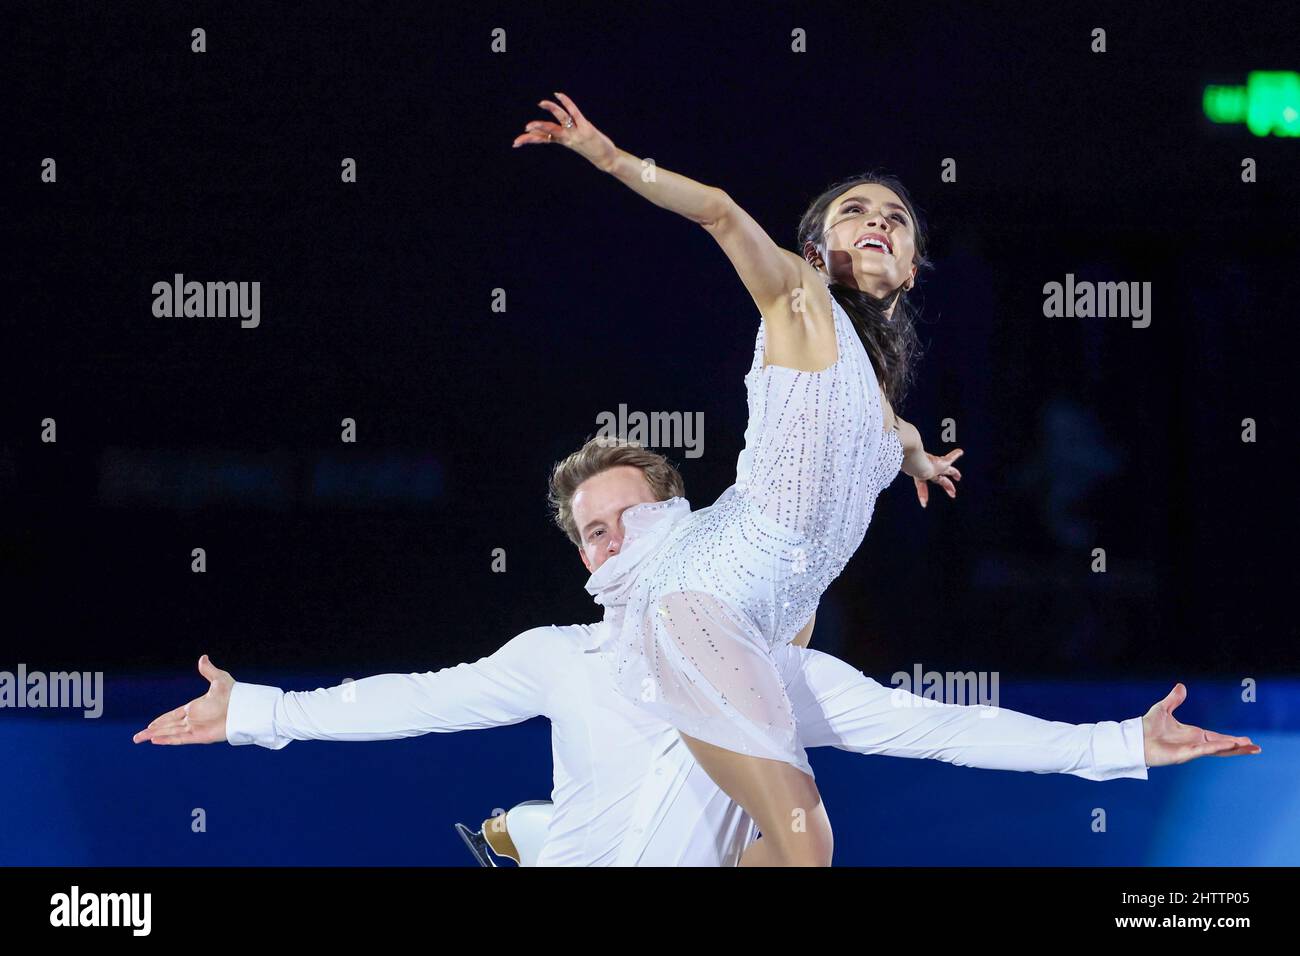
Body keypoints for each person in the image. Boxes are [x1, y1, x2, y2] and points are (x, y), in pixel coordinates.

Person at [131, 440, 1261, 866]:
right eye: (591, 533)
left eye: (627, 518)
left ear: (685, 523)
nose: (610, 541)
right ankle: (527, 832)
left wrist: (1117, 742)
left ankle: (526, 833)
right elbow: (417, 700)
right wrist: (255, 712)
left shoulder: (782, 678)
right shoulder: (560, 653)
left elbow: (943, 727)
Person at [513, 91, 964, 864]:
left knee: (725, 847)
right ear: (817, 251)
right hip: (712, 599)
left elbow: (897, 431)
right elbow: (720, 212)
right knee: (803, 846)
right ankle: (544, 835)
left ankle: (542, 837)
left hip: (773, 618)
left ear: (914, 268)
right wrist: (611, 157)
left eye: (894, 217)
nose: (879, 220)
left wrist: (921, 459)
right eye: (855, 211)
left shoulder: (875, 395)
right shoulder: (803, 299)